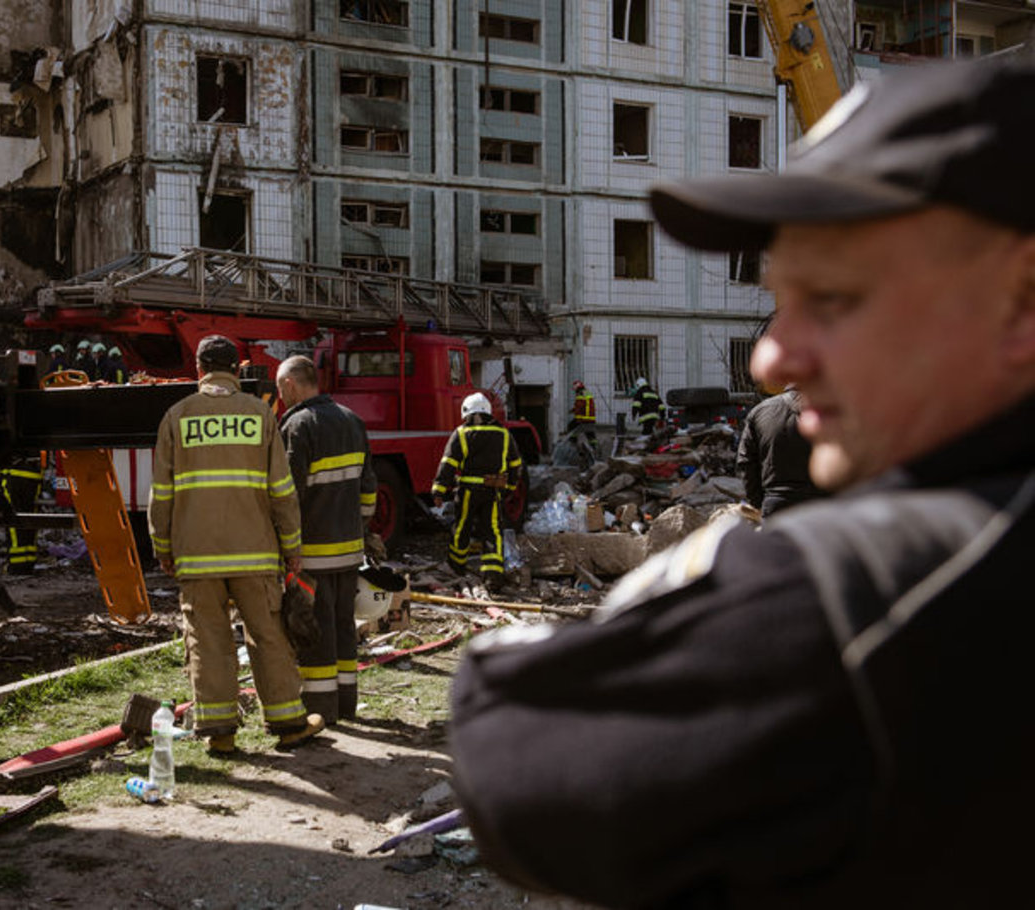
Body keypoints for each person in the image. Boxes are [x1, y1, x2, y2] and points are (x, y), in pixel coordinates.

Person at [449, 57, 1035, 908]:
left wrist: (682, 595)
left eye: (832, 298)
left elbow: (525, 769)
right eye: (778, 301)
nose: (771, 359)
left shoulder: (888, 591)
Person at [148, 335, 324, 753]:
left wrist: (163, 547)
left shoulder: (177, 416)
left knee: (207, 641)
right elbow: (282, 490)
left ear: (198, 368)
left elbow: (162, 494)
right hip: (256, 554)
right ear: (238, 369)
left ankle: (221, 735)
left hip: (196, 555)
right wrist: (292, 546)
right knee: (268, 637)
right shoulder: (260, 414)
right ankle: (287, 724)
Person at [276, 354, 377, 724]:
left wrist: (284, 544)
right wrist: (361, 528)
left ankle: (321, 710)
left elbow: (289, 495)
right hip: (349, 551)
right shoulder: (352, 420)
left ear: (289, 384)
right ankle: (347, 703)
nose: (280, 397)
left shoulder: (299, 426)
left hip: (311, 556)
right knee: (343, 626)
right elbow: (368, 487)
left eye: (279, 389)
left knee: (315, 631)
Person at [431, 392, 521, 593]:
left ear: (467, 413)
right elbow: (515, 464)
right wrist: (509, 488)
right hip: (492, 491)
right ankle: (493, 576)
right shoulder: (504, 434)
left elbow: (448, 464)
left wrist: (438, 490)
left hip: (468, 491)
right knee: (492, 532)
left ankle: (455, 566)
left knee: (462, 527)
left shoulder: (461, 433)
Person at [736, 387, 825, 518]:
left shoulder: (760, 411)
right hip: (823, 507)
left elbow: (745, 463)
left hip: (777, 505)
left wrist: (759, 503)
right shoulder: (833, 410)